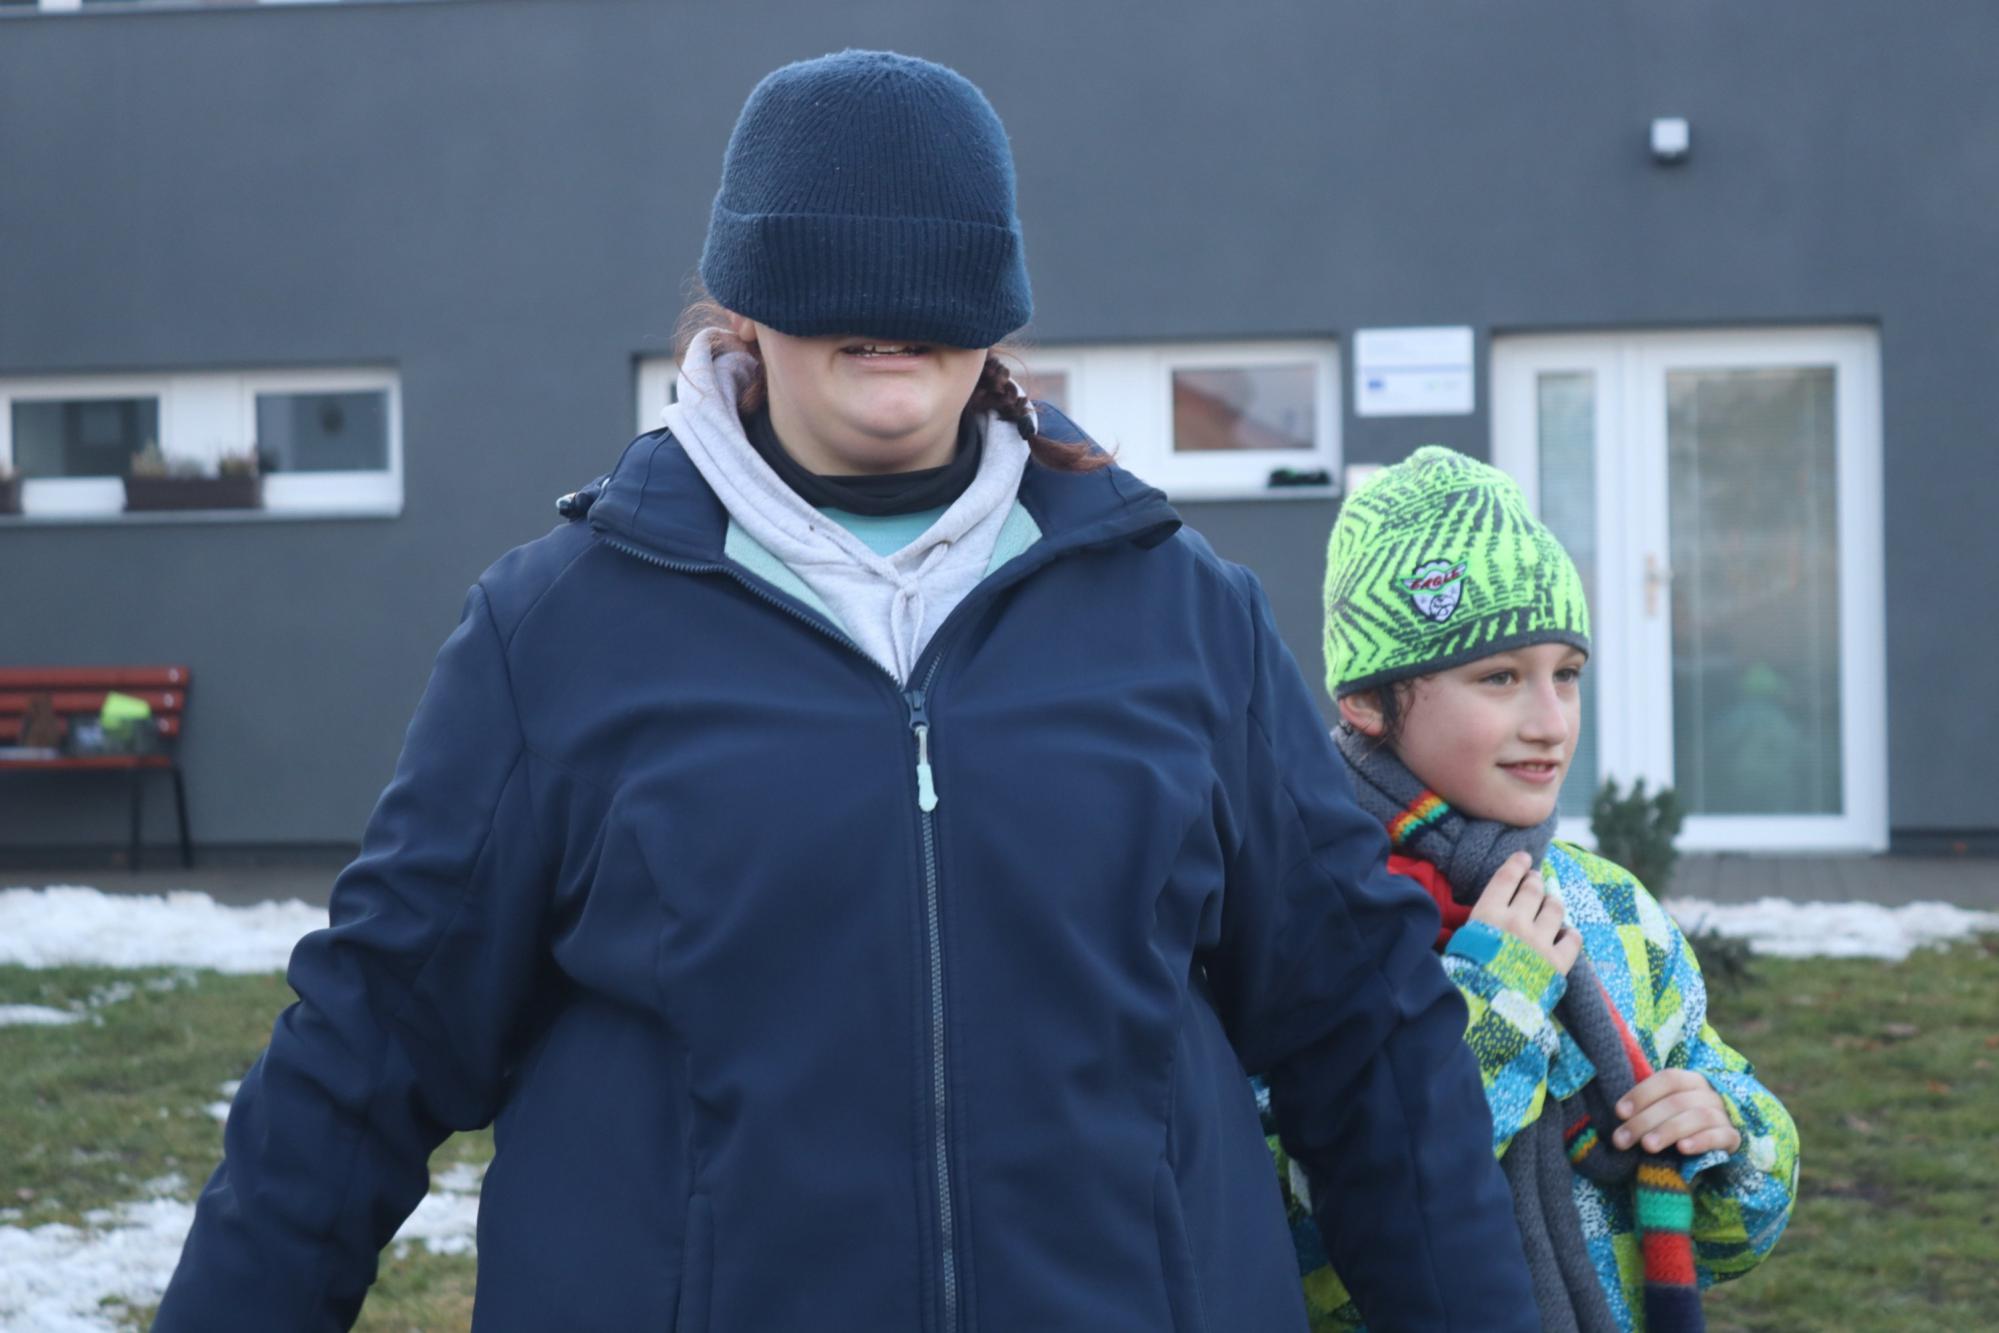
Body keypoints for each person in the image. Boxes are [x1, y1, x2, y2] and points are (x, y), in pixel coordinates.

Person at [156, 53, 1537, 1331]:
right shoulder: (559, 630)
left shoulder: (1178, 616)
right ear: (745, 297)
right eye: (833, 272)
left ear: (995, 302)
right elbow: (370, 1045)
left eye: (934, 277)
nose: (889, 319)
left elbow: (1365, 1033)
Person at [1266, 447, 1799, 1331]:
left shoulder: (1608, 909)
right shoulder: (1293, 914)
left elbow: (1727, 1237)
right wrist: (1493, 1009)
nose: (1550, 722)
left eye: (1566, 673)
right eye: (1498, 677)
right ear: (1366, 700)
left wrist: (1729, 1139)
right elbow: (1288, 1229)